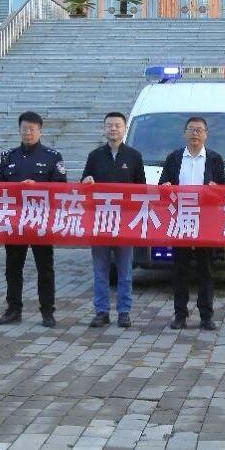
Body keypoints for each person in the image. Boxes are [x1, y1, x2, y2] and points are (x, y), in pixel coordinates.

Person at [0, 111, 65, 328]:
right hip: (15, 221)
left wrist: (38, 187)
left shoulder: (52, 157)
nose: (28, 133)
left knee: (45, 269)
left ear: (40, 131)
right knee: (13, 268)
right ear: (19, 130)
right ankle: (13, 309)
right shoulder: (9, 157)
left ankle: (47, 312)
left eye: (32, 129)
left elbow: (61, 189)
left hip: (41, 221)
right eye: (24, 129)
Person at [160, 116, 225, 330]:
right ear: (184, 133)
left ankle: (206, 315)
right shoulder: (174, 158)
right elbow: (162, 186)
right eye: (191, 129)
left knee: (206, 270)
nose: (195, 133)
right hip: (181, 220)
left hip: (205, 221)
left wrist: (216, 189)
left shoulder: (214, 159)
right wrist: (166, 187)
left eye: (199, 130)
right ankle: (180, 314)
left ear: (206, 134)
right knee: (179, 270)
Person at [81, 112, 146, 329]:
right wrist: (86, 181)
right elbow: (84, 184)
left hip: (124, 222)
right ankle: (101, 312)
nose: (113, 129)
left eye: (117, 125)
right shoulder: (95, 156)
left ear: (124, 129)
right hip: (99, 221)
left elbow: (142, 189)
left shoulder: (134, 156)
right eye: (109, 125)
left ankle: (124, 312)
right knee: (100, 271)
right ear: (104, 129)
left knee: (125, 271)